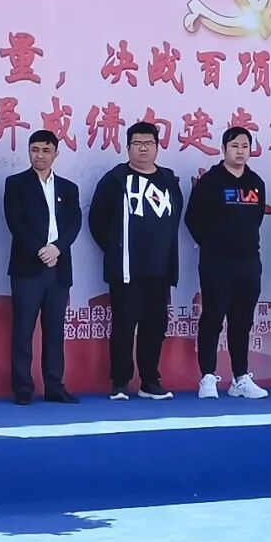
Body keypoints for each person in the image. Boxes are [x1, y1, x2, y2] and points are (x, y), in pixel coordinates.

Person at [89, 121, 183, 401]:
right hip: (127, 269)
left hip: (160, 269)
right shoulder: (114, 180)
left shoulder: (168, 181)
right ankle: (120, 381)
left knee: (155, 326)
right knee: (124, 325)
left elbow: (174, 218)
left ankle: (150, 381)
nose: (143, 148)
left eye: (149, 143)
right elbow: (97, 220)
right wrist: (116, 248)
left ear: (157, 147)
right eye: (137, 143)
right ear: (127, 147)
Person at [185, 126, 268, 399]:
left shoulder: (256, 182)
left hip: (249, 262)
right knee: (213, 318)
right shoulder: (210, 182)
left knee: (242, 321)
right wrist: (213, 244)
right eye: (234, 146)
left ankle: (240, 378)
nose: (240, 151)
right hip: (216, 263)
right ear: (223, 149)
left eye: (245, 146)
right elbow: (192, 219)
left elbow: (256, 217)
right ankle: (207, 377)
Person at [3, 130, 82, 405]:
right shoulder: (16, 184)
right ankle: (23, 388)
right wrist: (41, 250)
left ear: (56, 154)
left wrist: (57, 248)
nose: (40, 155)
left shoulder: (69, 188)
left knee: (55, 331)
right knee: (23, 330)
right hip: (28, 266)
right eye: (35, 150)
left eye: (46, 150)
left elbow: (74, 223)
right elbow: (15, 223)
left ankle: (54, 386)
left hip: (59, 267)